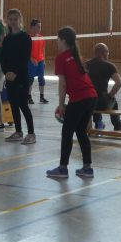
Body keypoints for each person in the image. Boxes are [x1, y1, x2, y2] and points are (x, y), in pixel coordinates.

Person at [48, 26, 98, 179]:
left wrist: (61, 105)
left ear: (63, 40)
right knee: (81, 131)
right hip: (91, 96)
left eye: (58, 39)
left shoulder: (61, 58)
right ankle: (87, 168)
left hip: (80, 98)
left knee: (67, 132)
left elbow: (63, 84)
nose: (57, 41)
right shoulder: (77, 56)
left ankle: (63, 169)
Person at [0, 8, 36, 144]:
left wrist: (15, 72)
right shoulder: (7, 39)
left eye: (15, 19)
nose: (13, 22)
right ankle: (18, 131)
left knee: (23, 104)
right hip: (9, 77)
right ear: (7, 21)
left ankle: (31, 133)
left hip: (21, 76)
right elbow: (3, 58)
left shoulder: (25, 37)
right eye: (10, 19)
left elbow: (24, 57)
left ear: (20, 20)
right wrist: (6, 72)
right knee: (13, 104)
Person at [86, 43, 121, 132]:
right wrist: (110, 95)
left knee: (94, 97)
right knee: (112, 100)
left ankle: (98, 122)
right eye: (107, 52)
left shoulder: (86, 65)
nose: (108, 54)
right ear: (103, 53)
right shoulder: (109, 66)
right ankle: (118, 125)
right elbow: (118, 83)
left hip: (87, 101)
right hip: (101, 102)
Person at [27, 18, 49, 104]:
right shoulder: (28, 38)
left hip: (40, 61)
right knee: (30, 79)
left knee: (41, 79)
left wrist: (44, 60)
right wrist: (31, 58)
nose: (40, 28)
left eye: (40, 27)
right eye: (38, 26)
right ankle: (28, 97)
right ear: (32, 27)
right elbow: (25, 51)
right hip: (31, 62)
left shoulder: (41, 38)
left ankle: (41, 97)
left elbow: (43, 49)